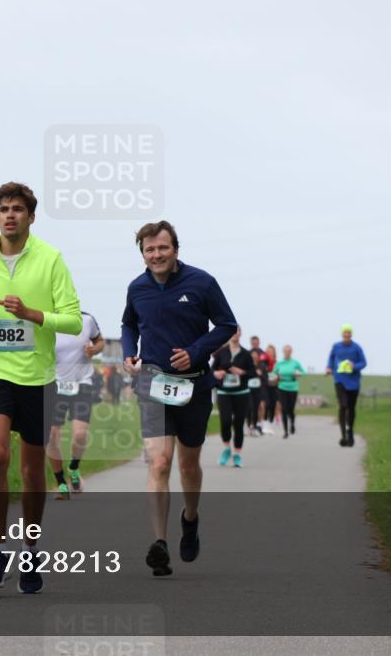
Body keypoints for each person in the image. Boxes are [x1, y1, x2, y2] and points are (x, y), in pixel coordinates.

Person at [0, 182, 82, 593]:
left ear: (31, 217)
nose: (9, 214)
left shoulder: (50, 259)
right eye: (3, 208)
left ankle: (30, 549)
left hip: (38, 376)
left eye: (17, 209)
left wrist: (32, 313)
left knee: (33, 469)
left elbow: (73, 320)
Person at [121, 220, 237, 577]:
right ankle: (160, 543)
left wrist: (196, 351)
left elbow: (227, 324)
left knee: (188, 465)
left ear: (175, 249)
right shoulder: (137, 287)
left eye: (162, 248)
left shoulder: (201, 282)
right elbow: (128, 325)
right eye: (149, 249)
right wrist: (130, 353)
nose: (156, 255)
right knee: (159, 463)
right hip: (153, 384)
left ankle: (190, 518)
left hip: (194, 386)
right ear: (142, 252)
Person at [48, 311, 105, 498]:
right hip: (55, 384)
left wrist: (94, 350)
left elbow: (100, 341)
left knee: (80, 434)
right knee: (52, 435)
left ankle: (74, 468)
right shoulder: (46, 319)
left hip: (82, 384)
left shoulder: (87, 319)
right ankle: (61, 483)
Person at [212, 327, 256, 467]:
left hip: (241, 393)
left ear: (240, 334)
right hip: (224, 392)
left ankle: (237, 454)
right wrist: (217, 374)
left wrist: (242, 372)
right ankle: (226, 449)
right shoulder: (221, 352)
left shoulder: (246, 354)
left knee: (238, 423)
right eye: (232, 331)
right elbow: (212, 370)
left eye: (237, 331)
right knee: (225, 421)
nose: (235, 334)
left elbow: (253, 373)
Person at [326, 323, 368, 447]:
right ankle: (343, 434)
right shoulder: (336, 347)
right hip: (339, 380)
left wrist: (354, 366)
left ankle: (350, 433)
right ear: (342, 334)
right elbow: (331, 360)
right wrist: (328, 368)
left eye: (349, 333)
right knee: (343, 406)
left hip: (354, 382)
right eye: (345, 333)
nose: (347, 335)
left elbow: (364, 363)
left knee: (351, 408)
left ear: (351, 335)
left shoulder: (356, 348)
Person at [271, 345, 306, 438]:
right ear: (283, 352)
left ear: (291, 352)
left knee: (291, 409)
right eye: (286, 351)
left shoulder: (295, 363)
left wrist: (298, 373)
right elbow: (273, 373)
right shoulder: (279, 363)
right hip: (282, 387)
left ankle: (292, 424)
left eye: (289, 351)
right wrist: (276, 377)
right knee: (284, 409)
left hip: (293, 387)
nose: (287, 353)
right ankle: (285, 431)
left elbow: (304, 372)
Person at [263, 343, 279, 430]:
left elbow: (280, 373)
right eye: (268, 351)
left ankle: (270, 423)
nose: (270, 353)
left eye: (271, 351)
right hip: (266, 386)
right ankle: (265, 424)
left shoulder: (277, 363)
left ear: (274, 353)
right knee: (267, 404)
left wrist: (278, 377)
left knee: (273, 405)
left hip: (274, 386)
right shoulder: (264, 362)